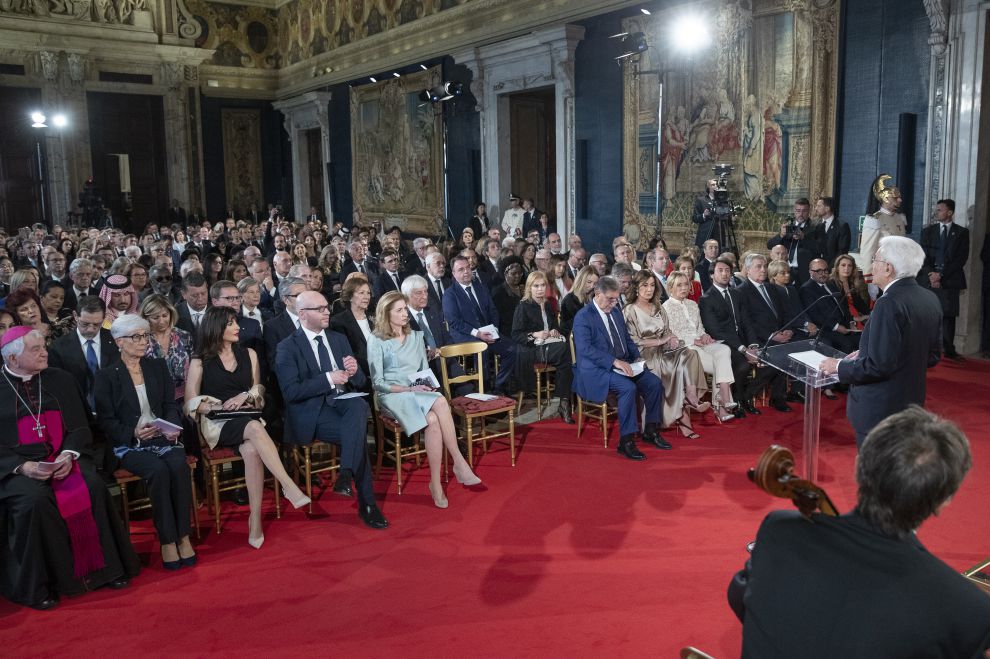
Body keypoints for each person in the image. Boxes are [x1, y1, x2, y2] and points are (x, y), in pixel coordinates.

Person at [728, 406, 990, 658]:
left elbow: (740, 596)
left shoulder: (780, 532)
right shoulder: (966, 609)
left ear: (858, 466)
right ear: (944, 500)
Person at [0, 327, 139, 610]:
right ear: (13, 359)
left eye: (44, 346)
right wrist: (23, 467)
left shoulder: (61, 379)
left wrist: (67, 454)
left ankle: (105, 570)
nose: (44, 353)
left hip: (64, 457)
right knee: (34, 501)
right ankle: (41, 585)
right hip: (16, 467)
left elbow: (80, 426)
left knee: (93, 486)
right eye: (35, 349)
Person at [184, 307, 310, 548]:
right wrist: (216, 407)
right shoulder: (200, 361)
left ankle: (255, 520)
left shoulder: (249, 354)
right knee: (253, 428)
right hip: (218, 423)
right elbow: (190, 403)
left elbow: (258, 391)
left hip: (247, 415)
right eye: (230, 323)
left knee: (252, 449)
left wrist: (244, 396)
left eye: (235, 322)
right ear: (216, 327)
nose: (237, 327)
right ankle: (288, 485)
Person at [275, 291, 388, 530]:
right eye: (321, 309)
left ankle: (346, 474)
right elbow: (291, 392)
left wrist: (355, 369)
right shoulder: (287, 347)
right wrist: (328, 379)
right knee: (356, 433)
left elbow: (358, 382)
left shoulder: (338, 339)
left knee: (357, 404)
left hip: (344, 404)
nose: (327, 312)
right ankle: (367, 504)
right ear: (303, 314)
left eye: (327, 307)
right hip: (313, 412)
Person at [818, 237, 942, 446]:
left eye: (875, 259)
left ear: (888, 268)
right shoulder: (929, 297)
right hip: (910, 404)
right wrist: (869, 350)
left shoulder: (888, 303)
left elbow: (878, 366)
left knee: (876, 474)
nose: (870, 266)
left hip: (880, 410)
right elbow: (932, 356)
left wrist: (837, 366)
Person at [95, 315, 196, 571]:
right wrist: (134, 433)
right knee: (158, 471)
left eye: (145, 336)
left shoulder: (157, 366)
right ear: (119, 342)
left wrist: (173, 428)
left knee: (178, 466)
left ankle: (183, 535)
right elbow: (106, 421)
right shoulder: (107, 376)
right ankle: (167, 540)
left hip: (163, 436)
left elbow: (169, 406)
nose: (143, 342)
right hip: (130, 442)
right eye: (136, 337)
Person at [368, 292, 483, 508]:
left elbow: (423, 370)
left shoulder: (416, 336)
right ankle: (458, 463)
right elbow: (377, 383)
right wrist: (408, 388)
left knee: (433, 415)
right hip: (392, 395)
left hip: (417, 391)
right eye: (399, 310)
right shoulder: (376, 340)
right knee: (438, 403)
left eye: (405, 309)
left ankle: (436, 483)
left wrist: (426, 384)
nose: (405, 314)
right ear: (386, 313)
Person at [572, 276, 667, 460]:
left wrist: (637, 358)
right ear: (597, 293)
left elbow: (627, 340)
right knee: (628, 388)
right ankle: (626, 441)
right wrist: (614, 362)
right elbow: (585, 349)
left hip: (622, 364)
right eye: (610, 299)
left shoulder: (615, 312)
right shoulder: (583, 316)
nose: (615, 303)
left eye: (617, 298)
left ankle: (651, 431)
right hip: (596, 370)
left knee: (654, 383)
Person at [624, 271, 710, 437]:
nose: (649, 289)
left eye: (652, 285)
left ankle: (691, 398)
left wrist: (671, 339)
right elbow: (633, 341)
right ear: (636, 288)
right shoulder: (630, 310)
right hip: (644, 354)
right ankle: (683, 418)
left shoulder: (657, 307)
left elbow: (667, 330)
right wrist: (660, 341)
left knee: (690, 354)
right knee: (678, 370)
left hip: (664, 350)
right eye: (645, 285)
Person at [664, 272, 737, 422]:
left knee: (724, 350)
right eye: (679, 285)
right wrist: (693, 340)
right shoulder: (665, 308)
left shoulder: (693, 304)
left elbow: (700, 328)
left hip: (700, 343)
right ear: (670, 287)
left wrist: (704, 335)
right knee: (720, 364)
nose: (684, 288)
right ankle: (722, 404)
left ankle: (722, 395)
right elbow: (671, 336)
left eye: (686, 284)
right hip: (686, 349)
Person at [444, 254, 517, 395]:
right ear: (453, 273)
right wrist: (477, 333)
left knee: (513, 349)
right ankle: (484, 388)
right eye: (460, 269)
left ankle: (498, 385)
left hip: (487, 331)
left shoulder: (480, 287)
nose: (466, 272)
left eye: (467, 268)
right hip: (465, 335)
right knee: (482, 348)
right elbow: (454, 321)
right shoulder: (450, 294)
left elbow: (493, 310)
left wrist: (494, 328)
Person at [511, 271, 574, 423]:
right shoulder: (523, 306)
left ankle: (564, 401)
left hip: (549, 346)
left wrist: (554, 331)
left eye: (543, 285)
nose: (540, 289)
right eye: (536, 286)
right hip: (531, 349)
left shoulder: (547, 304)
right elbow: (516, 335)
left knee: (564, 353)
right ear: (529, 288)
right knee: (565, 352)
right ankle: (564, 401)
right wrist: (535, 334)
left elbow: (553, 327)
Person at [918, 199, 969, 359]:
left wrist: (941, 275)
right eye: (936, 209)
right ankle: (926, 348)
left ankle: (949, 349)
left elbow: (961, 258)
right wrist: (931, 274)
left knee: (949, 315)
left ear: (950, 212)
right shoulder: (928, 231)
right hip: (929, 279)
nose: (936, 212)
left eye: (940, 210)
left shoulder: (961, 233)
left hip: (950, 279)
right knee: (929, 315)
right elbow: (922, 256)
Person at [140, 294, 193, 404]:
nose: (161, 321)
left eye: (165, 315)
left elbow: (194, 368)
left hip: (185, 398)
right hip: (153, 399)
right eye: (155, 317)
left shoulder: (184, 336)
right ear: (146, 318)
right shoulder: (141, 340)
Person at [860, 175, 906, 285]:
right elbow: (868, 251)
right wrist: (870, 279)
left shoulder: (900, 218)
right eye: (895, 197)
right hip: (882, 274)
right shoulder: (874, 219)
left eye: (899, 197)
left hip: (898, 273)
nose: (900, 200)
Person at [329, 276, 375, 378]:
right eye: (361, 293)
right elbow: (346, 354)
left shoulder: (374, 318)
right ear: (350, 296)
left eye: (368, 293)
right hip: (360, 376)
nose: (366, 297)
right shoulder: (338, 322)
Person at [490, 258, 525, 339]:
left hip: (525, 329)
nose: (517, 276)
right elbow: (500, 318)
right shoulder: (498, 292)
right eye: (513, 273)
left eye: (520, 273)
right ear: (505, 274)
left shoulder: (524, 288)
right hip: (508, 331)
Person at [559, 265, 598, 337]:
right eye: (589, 282)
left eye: (595, 283)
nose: (592, 286)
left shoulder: (593, 297)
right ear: (581, 280)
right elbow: (577, 325)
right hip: (573, 337)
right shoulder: (569, 300)